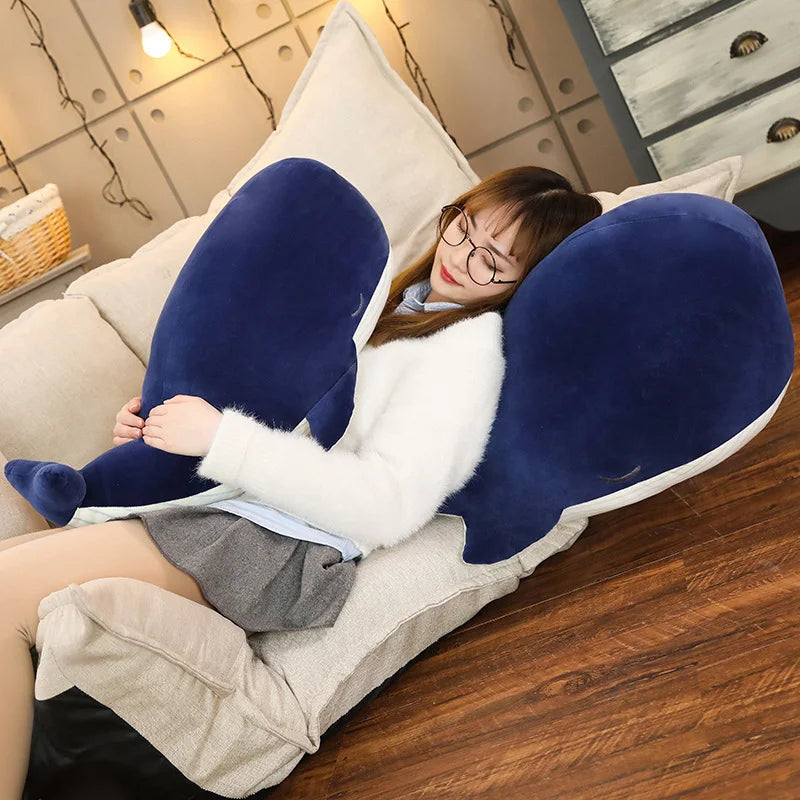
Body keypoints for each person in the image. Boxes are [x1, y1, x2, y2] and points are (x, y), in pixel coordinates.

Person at [0, 165, 601, 797]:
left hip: (275, 544)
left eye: (492, 261)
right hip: (230, 505)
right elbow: (290, 403)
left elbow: (389, 504)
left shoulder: (465, 356)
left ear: (523, 282)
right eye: (464, 226)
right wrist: (156, 430)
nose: (459, 256)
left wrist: (222, 440)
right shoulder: (397, 298)